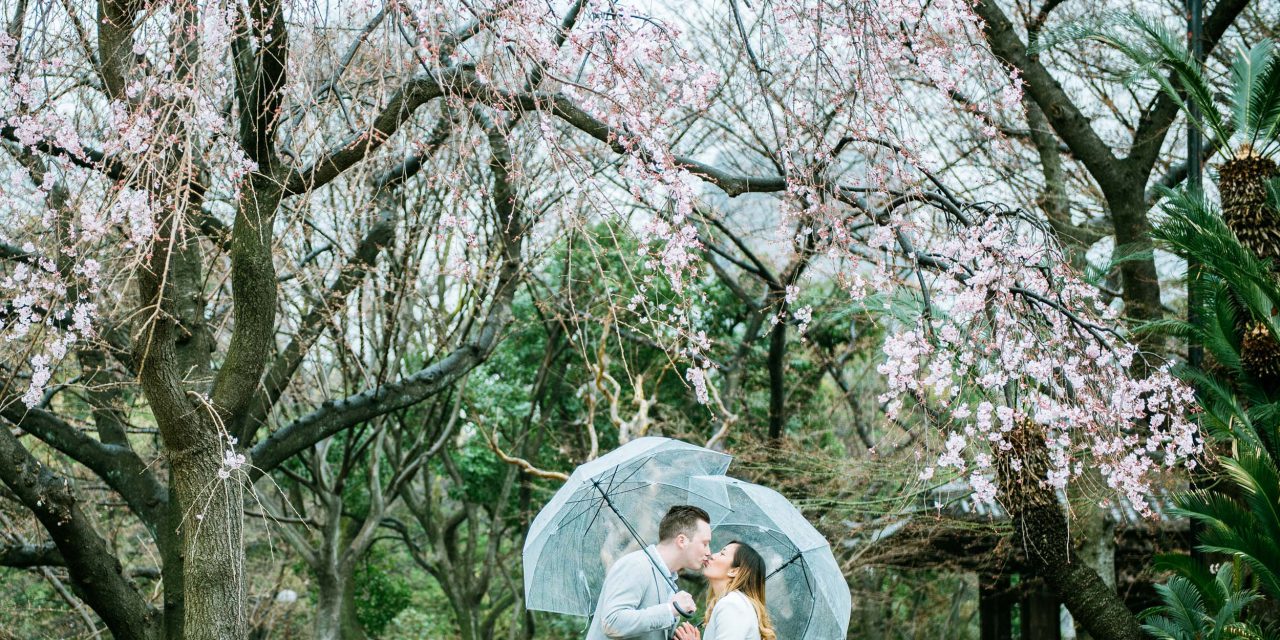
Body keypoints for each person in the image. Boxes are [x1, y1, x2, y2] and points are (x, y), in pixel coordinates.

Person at [586, 505, 714, 640]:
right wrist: (670, 609)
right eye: (705, 544)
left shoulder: (669, 579)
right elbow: (612, 623)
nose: (709, 552)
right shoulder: (636, 565)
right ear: (682, 541)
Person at [673, 541, 776, 640]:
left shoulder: (733, 604)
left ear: (734, 571)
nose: (712, 555)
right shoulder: (734, 602)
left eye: (722, 554)